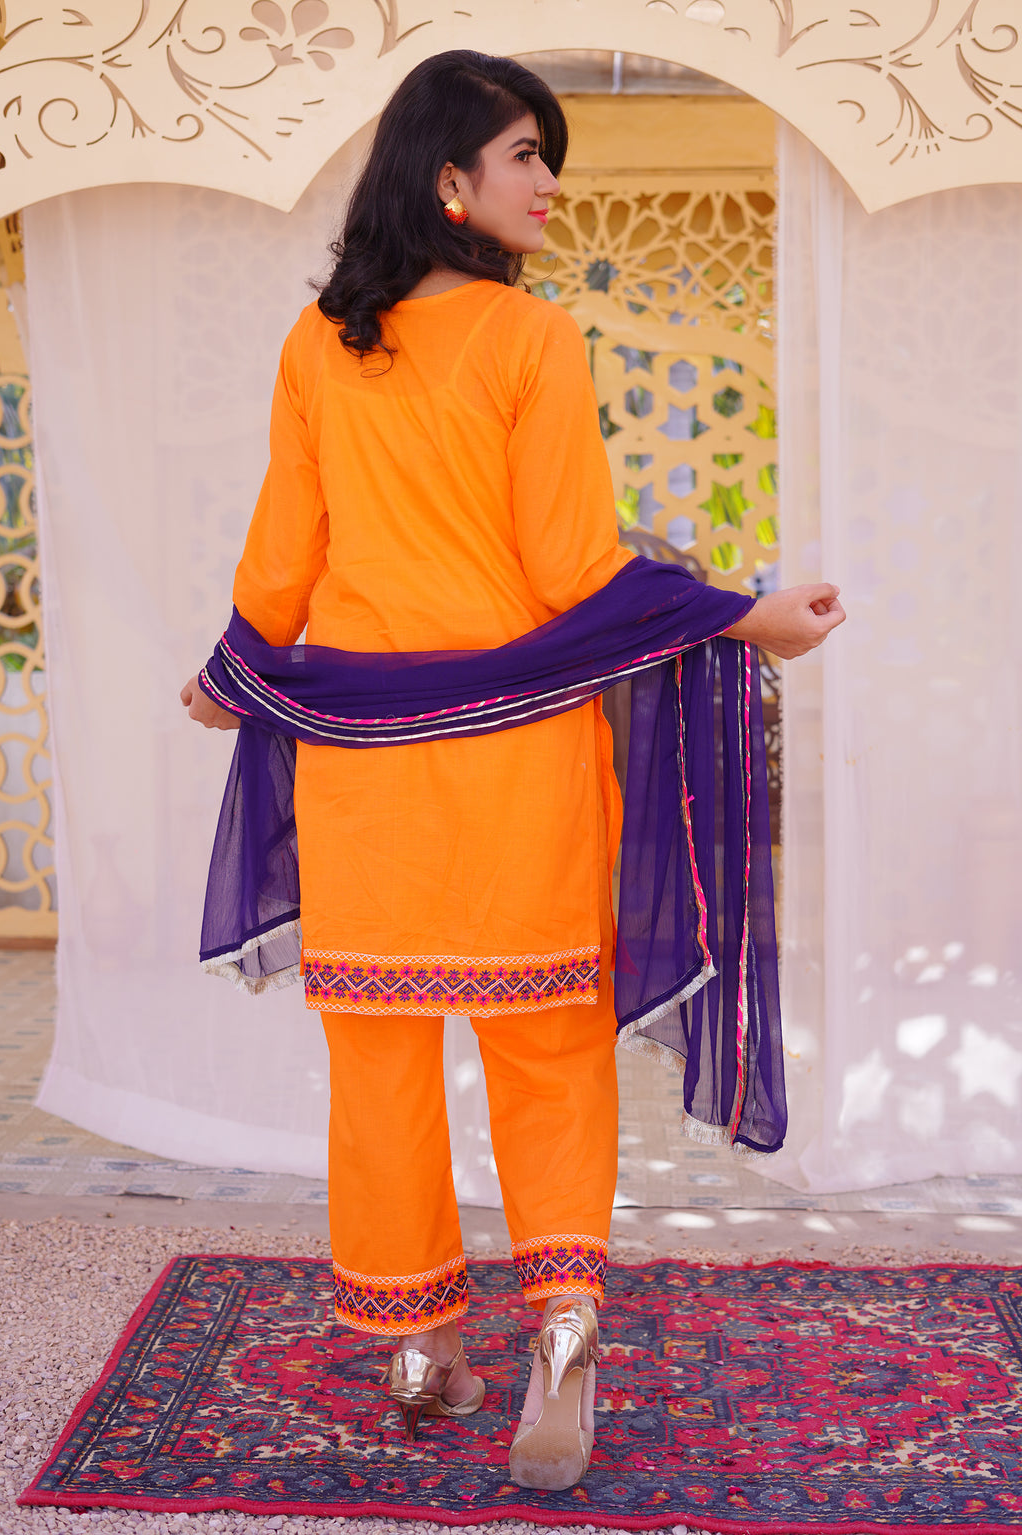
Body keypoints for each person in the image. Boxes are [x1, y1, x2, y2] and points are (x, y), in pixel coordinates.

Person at [181, 49, 844, 1492]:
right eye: (527, 154)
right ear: (450, 179)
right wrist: (743, 615)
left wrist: (231, 675)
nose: (551, 181)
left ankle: (418, 1346)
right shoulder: (529, 340)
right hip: (517, 762)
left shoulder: (318, 344)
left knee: (381, 1059)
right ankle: (561, 1334)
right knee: (544, 1052)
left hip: (362, 770)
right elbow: (570, 569)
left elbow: (282, 561)